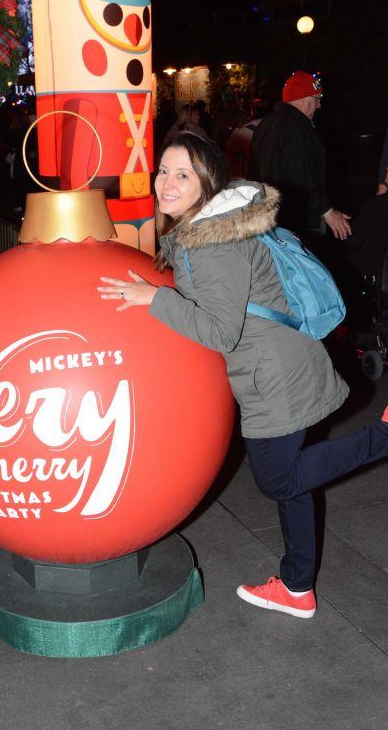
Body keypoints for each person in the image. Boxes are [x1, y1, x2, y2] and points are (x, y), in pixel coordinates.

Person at [97, 131, 388, 619]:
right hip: (288, 359)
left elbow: (218, 330)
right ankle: (297, 587)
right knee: (295, 484)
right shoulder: (214, 225)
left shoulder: (211, 244)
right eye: (163, 171)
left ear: (206, 182)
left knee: (278, 479)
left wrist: (156, 299)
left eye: (182, 175)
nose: (166, 184)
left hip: (274, 376)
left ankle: (381, 437)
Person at [251, 71, 352, 253]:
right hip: (298, 222)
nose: (319, 105)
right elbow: (300, 174)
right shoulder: (296, 126)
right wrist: (327, 211)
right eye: (317, 99)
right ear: (303, 99)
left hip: (270, 217)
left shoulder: (266, 124)